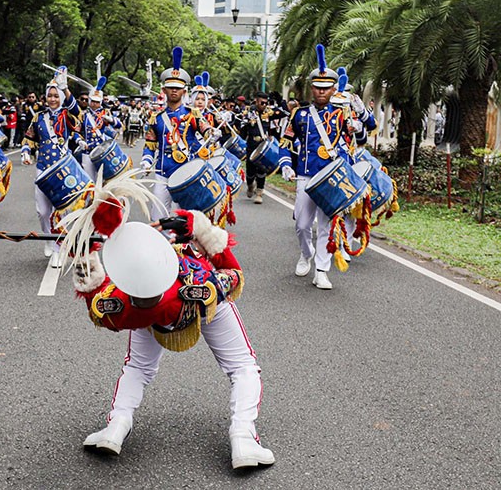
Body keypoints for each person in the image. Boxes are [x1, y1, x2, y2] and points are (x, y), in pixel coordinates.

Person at [58, 174, 274, 470]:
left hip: (151, 319)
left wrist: (84, 254)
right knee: (243, 367)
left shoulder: (123, 303)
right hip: (203, 301)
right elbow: (232, 273)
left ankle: (116, 426)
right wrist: (199, 228)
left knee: (137, 368)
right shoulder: (199, 277)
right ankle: (243, 437)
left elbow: (94, 297)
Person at [277, 45, 350, 290]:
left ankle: (321, 270)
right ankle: (306, 253)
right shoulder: (299, 114)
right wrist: (286, 165)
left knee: (326, 225)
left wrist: (359, 121)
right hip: (306, 175)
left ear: (333, 89)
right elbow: (285, 142)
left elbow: (355, 139)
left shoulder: (342, 114)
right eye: (317, 87)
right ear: (312, 88)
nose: (321, 91)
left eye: (326, 87)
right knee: (301, 224)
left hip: (330, 178)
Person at [20, 66, 84, 267]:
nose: (53, 99)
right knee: (42, 210)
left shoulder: (67, 115)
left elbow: (78, 112)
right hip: (43, 168)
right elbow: (29, 138)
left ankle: (59, 248)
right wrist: (25, 151)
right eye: (50, 96)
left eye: (56, 96)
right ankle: (48, 237)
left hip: (62, 169)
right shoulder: (39, 117)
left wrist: (65, 88)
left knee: (61, 210)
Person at [140, 47, 213, 221]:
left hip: (186, 173)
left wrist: (211, 133)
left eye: (178, 88)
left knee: (185, 219)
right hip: (162, 172)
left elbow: (206, 130)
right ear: (164, 90)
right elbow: (150, 144)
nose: (174, 91)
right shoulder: (156, 117)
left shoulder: (193, 114)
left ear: (184, 91)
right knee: (158, 216)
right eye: (170, 87)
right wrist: (146, 160)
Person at [238, 92, 288, 204]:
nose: (264, 105)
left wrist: (281, 101)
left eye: (266, 103)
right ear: (256, 101)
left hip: (264, 147)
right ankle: (250, 185)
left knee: (262, 170)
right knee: (250, 172)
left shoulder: (269, 112)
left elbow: (286, 113)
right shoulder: (248, 112)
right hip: (251, 146)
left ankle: (259, 193)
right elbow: (242, 130)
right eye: (262, 103)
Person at [78, 76, 121, 177]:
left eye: (97, 102)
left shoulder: (105, 113)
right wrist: (79, 140)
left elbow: (118, 125)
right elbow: (77, 131)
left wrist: (111, 120)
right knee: (89, 177)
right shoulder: (83, 115)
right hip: (87, 150)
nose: (94, 104)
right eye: (92, 101)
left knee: (104, 177)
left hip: (101, 150)